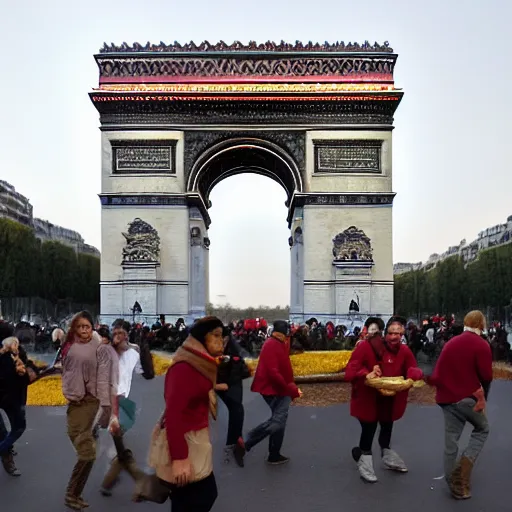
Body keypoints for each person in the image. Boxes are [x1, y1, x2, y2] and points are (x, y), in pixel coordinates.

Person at [345, 316, 423, 483]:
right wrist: (366, 373)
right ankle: (364, 459)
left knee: (387, 426)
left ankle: (386, 455)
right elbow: (350, 371)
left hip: (390, 399)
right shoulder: (367, 346)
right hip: (368, 398)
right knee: (369, 428)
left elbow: (412, 367)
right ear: (385, 332)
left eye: (399, 334)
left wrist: (414, 374)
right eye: (391, 333)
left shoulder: (404, 350)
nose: (395, 337)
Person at [427, 310, 492, 500]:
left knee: (451, 442)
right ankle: (462, 470)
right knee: (482, 429)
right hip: (466, 398)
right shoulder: (481, 344)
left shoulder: (451, 343)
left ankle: (451, 482)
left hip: (447, 399)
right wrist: (481, 397)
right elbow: (486, 376)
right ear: (481, 324)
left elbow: (437, 375)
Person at [161, 316, 225, 512]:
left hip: (196, 439)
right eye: (215, 335)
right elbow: (174, 413)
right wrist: (179, 458)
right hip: (186, 441)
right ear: (201, 338)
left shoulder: (198, 363)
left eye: (221, 336)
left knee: (191, 498)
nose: (220, 341)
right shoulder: (184, 368)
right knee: (198, 497)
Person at [61, 311, 111, 510]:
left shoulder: (96, 342)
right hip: (80, 405)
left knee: (89, 453)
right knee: (87, 454)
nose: (84, 330)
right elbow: (71, 382)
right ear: (74, 328)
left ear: (93, 327)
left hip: (93, 402)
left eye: (87, 327)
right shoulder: (73, 350)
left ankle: (74, 494)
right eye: (80, 327)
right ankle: (71, 494)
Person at [240, 320, 301, 466]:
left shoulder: (278, 343)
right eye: (288, 331)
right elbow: (274, 373)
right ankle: (248, 441)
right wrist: (288, 388)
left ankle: (273, 453)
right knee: (278, 421)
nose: (289, 334)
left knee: (279, 421)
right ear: (283, 332)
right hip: (274, 389)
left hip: (278, 388)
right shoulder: (272, 344)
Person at [100, 320, 144, 497]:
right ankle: (141, 483)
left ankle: (109, 481)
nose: (118, 337)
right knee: (120, 449)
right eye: (115, 333)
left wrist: (138, 347)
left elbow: (143, 371)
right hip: (110, 403)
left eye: (122, 333)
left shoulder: (133, 353)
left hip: (122, 402)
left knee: (119, 447)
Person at [0, 336, 37, 476]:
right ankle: (6, 458)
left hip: (12, 399)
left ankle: (7, 456)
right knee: (16, 428)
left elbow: (27, 367)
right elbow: (20, 379)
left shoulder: (17, 354)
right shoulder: (9, 359)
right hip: (12, 400)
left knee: (10, 431)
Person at [216, 326, 251, 467]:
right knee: (230, 411)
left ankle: (234, 445)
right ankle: (235, 443)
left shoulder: (233, 348)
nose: (221, 341)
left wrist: (227, 385)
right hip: (218, 383)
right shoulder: (211, 345)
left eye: (222, 338)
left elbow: (237, 368)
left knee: (237, 410)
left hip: (233, 383)